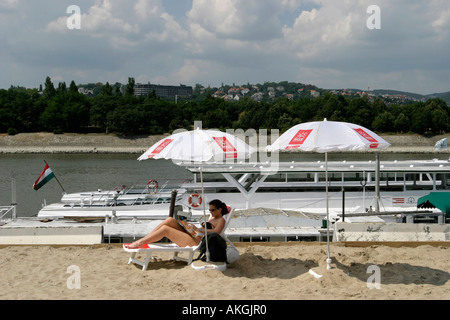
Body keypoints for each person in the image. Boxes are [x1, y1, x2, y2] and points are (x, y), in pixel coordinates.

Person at [125, 199, 229, 249]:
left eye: (213, 210)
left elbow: (217, 232)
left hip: (197, 242)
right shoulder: (212, 217)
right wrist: (190, 227)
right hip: (193, 235)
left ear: (220, 210)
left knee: (165, 229)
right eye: (210, 209)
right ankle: (144, 239)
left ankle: (140, 243)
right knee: (170, 220)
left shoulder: (221, 220)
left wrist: (198, 229)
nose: (211, 212)